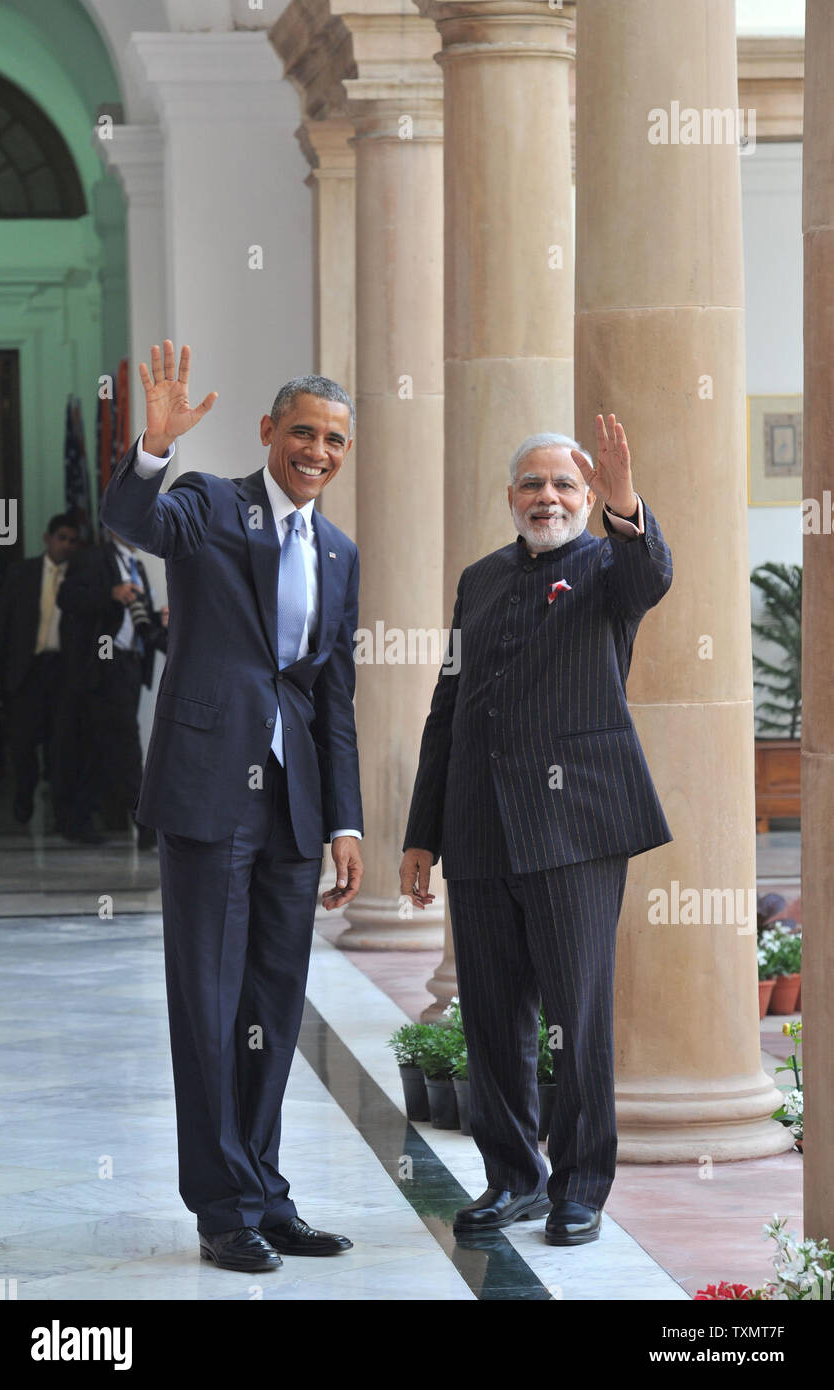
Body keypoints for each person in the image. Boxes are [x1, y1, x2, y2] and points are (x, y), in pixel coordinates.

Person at [100, 340, 364, 1273]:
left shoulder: (338, 550)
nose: (317, 451)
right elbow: (133, 519)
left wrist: (346, 820)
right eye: (302, 432)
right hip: (211, 796)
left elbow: (333, 696)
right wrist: (154, 450)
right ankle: (220, 1208)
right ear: (268, 433)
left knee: (271, 1009)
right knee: (208, 1007)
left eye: (333, 439)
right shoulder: (211, 504)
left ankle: (265, 1191)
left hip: (294, 809)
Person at [400, 415, 673, 1247]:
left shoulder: (605, 569)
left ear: (587, 498)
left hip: (573, 828)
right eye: (531, 483)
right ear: (509, 497)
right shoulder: (478, 579)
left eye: (564, 484)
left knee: (576, 1016)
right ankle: (512, 1180)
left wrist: (627, 500)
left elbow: (649, 573)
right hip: (478, 829)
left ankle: (581, 1187)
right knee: (489, 1017)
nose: (545, 496)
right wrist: (422, 834)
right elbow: (446, 709)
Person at [57, 528, 168, 847]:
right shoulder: (92, 558)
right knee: (125, 741)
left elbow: (142, 623)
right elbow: (68, 598)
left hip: (131, 664)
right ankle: (146, 823)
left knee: (100, 743)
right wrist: (110, 593)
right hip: (102, 664)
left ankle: (77, 818)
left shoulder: (138, 566)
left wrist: (166, 628)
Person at [0, 513, 80, 828]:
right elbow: (1, 624)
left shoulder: (81, 576)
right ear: (48, 538)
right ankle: (24, 795)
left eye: (72, 540)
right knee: (22, 742)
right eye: (61, 538)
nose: (66, 545)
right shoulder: (21, 573)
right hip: (28, 669)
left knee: (62, 742)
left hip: (64, 670)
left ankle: (61, 806)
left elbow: (98, 630)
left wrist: (102, 660)